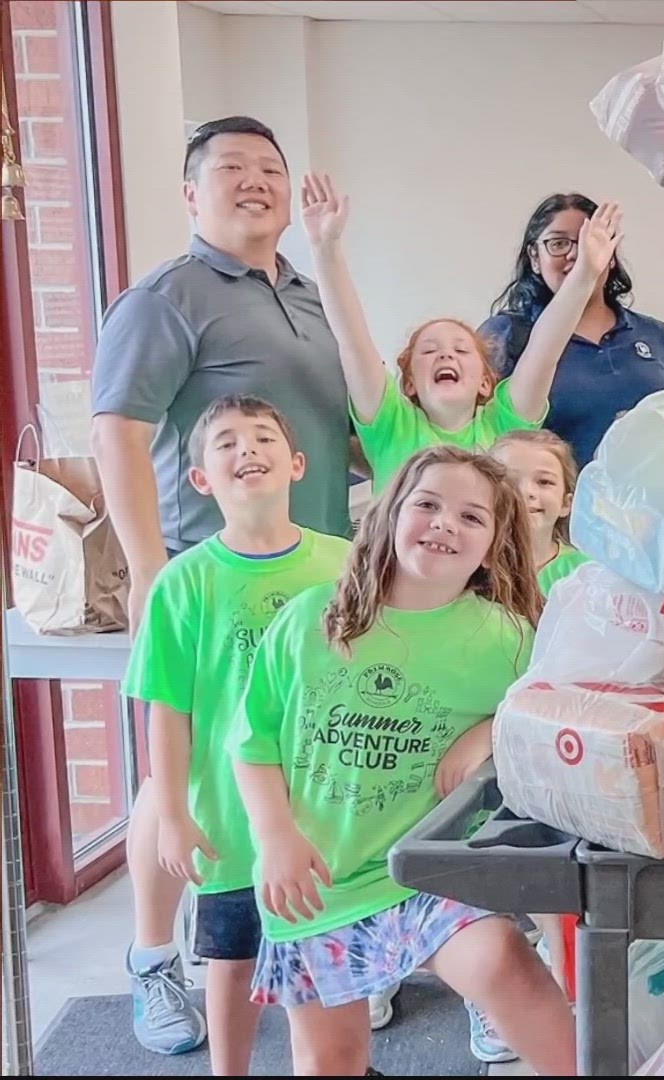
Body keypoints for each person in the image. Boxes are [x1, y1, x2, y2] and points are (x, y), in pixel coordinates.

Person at [88, 115, 350, 1056]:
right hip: (207, 585)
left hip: (308, 583)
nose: (256, 181)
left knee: (289, 774)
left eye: (271, 168)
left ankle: (308, 946)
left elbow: (341, 429)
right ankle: (155, 960)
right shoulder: (166, 297)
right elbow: (116, 429)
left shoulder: (305, 294)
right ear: (191, 193)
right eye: (231, 168)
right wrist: (152, 569)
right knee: (177, 780)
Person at [233, 446, 572, 1076]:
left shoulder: (508, 638)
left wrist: (497, 729)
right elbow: (252, 748)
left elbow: (567, 711)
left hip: (430, 874)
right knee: (329, 1060)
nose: (446, 523)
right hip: (318, 882)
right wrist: (274, 837)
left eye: (472, 517)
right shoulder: (310, 619)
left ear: (495, 546)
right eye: (428, 504)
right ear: (389, 514)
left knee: (499, 955)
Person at [121, 396, 352, 1073]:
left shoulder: (344, 565)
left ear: (298, 463)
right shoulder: (184, 583)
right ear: (200, 480)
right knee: (232, 958)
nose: (246, 449)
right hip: (225, 818)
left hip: (325, 817)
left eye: (262, 436)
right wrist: (171, 815)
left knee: (320, 961)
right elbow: (166, 710)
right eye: (225, 442)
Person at [299, 174, 617, 494]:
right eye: (429, 351)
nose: (446, 354)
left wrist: (586, 274)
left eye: (462, 351)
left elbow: (546, 348)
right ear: (409, 382)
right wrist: (325, 248)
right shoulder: (390, 424)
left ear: (484, 381)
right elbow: (353, 341)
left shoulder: (504, 425)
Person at [481, 192, 664, 466]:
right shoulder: (505, 333)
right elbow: (476, 433)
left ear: (611, 254)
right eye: (558, 243)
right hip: (553, 504)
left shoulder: (653, 332)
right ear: (535, 257)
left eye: (588, 242)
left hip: (649, 503)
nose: (575, 255)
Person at [490, 429, 590, 595]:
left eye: (544, 482)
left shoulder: (587, 573)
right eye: (509, 480)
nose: (526, 491)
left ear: (566, 503)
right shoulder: (468, 562)